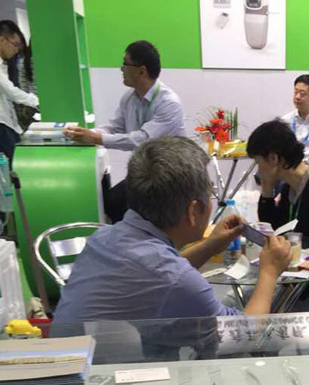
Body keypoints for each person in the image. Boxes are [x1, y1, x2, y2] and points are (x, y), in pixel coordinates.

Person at [52, 137, 292, 324]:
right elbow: (244, 333)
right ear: (193, 211)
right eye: (210, 192)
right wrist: (269, 271)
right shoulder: (173, 278)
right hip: (107, 371)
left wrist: (210, 245)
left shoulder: (104, 238)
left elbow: (161, 276)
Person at [64, 40, 186, 223]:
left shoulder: (169, 103)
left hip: (169, 177)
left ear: (141, 71)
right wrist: (84, 133)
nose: (121, 69)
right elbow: (115, 127)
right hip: (147, 173)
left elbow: (141, 139)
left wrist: (96, 138)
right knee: (111, 204)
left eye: (125, 63)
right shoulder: (130, 97)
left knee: (129, 211)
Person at [247, 120, 309, 242]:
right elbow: (275, 230)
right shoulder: (289, 187)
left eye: (258, 162)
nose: (258, 170)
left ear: (274, 158)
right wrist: (267, 191)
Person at [0, 20, 38, 165]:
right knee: (9, 167)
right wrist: (37, 101)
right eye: (15, 44)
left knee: (14, 163)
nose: (17, 49)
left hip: (4, 123)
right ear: (2, 40)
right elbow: (11, 91)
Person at [281, 73, 309, 160]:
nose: (297, 97)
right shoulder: (285, 121)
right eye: (295, 92)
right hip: (291, 165)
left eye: (302, 94)